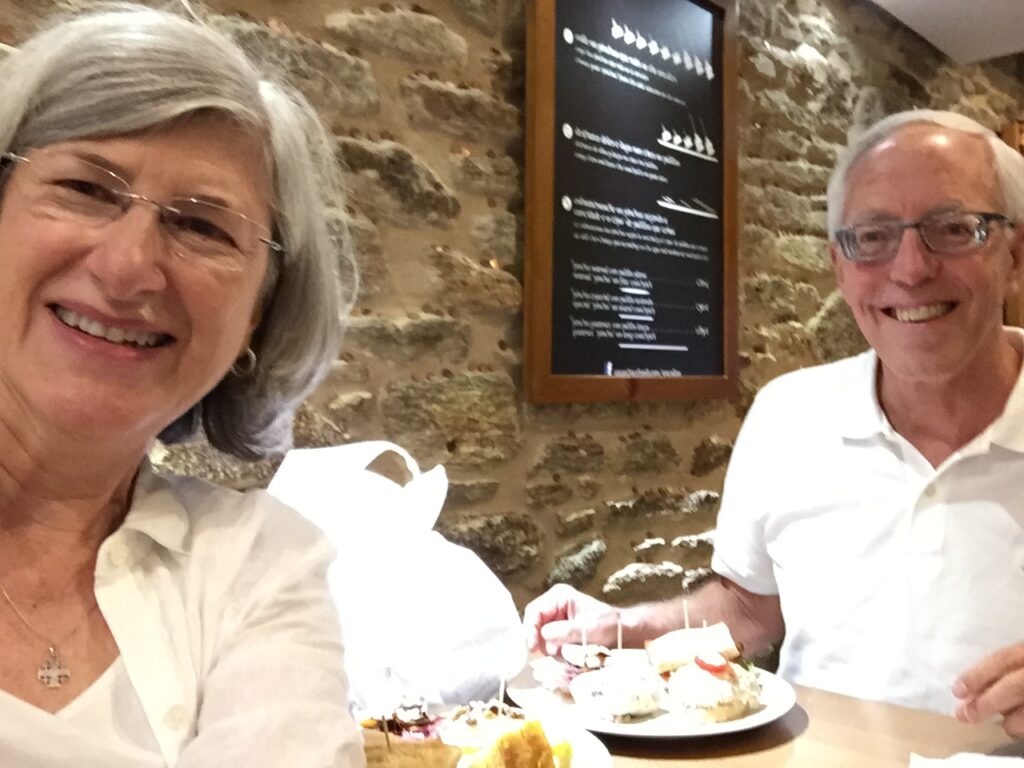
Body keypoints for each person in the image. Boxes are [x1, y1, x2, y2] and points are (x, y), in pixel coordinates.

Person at [524, 109, 1024, 737]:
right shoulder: (790, 414)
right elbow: (748, 609)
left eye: (953, 229)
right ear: (840, 268)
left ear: (1015, 252)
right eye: (871, 238)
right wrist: (620, 628)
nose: (911, 269)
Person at [0, 5, 363, 767]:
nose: (127, 266)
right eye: (86, 189)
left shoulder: (259, 567)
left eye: (203, 228)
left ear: (256, 320)